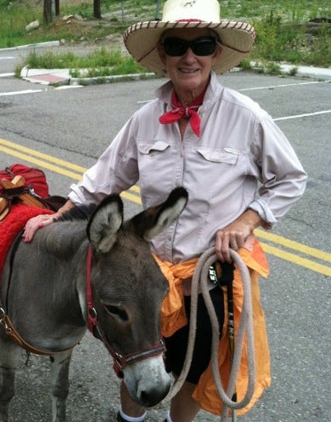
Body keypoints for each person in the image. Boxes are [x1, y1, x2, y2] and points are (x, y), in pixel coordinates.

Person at [22, 0, 307, 421]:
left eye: (202, 45)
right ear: (162, 55)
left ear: (215, 52)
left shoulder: (248, 118)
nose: (189, 57)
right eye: (177, 45)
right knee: (139, 361)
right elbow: (105, 177)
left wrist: (247, 221)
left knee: (192, 370)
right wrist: (60, 215)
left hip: (210, 276)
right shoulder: (145, 119)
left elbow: (290, 178)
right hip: (151, 278)